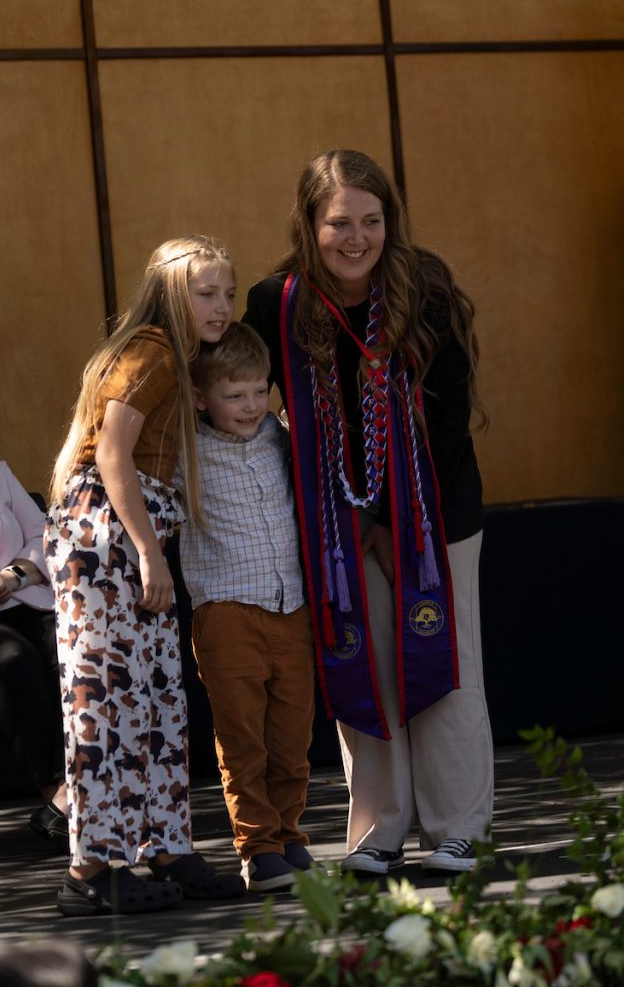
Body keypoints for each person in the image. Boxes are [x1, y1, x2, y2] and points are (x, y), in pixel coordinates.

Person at [244, 149, 494, 876]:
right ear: (309, 224)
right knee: (367, 667)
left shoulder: (425, 288)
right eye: (339, 223)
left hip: (433, 517)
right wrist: (349, 519)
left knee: (445, 665)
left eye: (372, 221)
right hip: (337, 528)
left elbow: (445, 423)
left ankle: (456, 828)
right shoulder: (277, 303)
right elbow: (246, 407)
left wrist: (393, 521)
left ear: (391, 220)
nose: (356, 238)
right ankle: (378, 829)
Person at [44, 234, 245, 916]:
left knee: (156, 696)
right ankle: (91, 869)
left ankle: (166, 846)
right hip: (108, 538)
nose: (221, 305)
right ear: (170, 293)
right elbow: (110, 454)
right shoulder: (153, 352)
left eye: (227, 291)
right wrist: (147, 552)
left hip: (135, 531)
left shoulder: (168, 356)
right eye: (206, 292)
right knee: (105, 701)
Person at [175, 322, 315, 892]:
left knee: (292, 735)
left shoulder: (279, 438)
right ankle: (256, 846)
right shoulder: (186, 449)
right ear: (201, 399)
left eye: (260, 390)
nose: (251, 405)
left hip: (292, 608)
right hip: (227, 612)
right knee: (243, 738)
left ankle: (290, 834)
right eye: (235, 396)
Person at [0, 457, 68, 847]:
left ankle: (70, 798)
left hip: (28, 597)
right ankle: (55, 795)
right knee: (11, 660)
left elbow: (44, 533)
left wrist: (11, 577)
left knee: (74, 652)